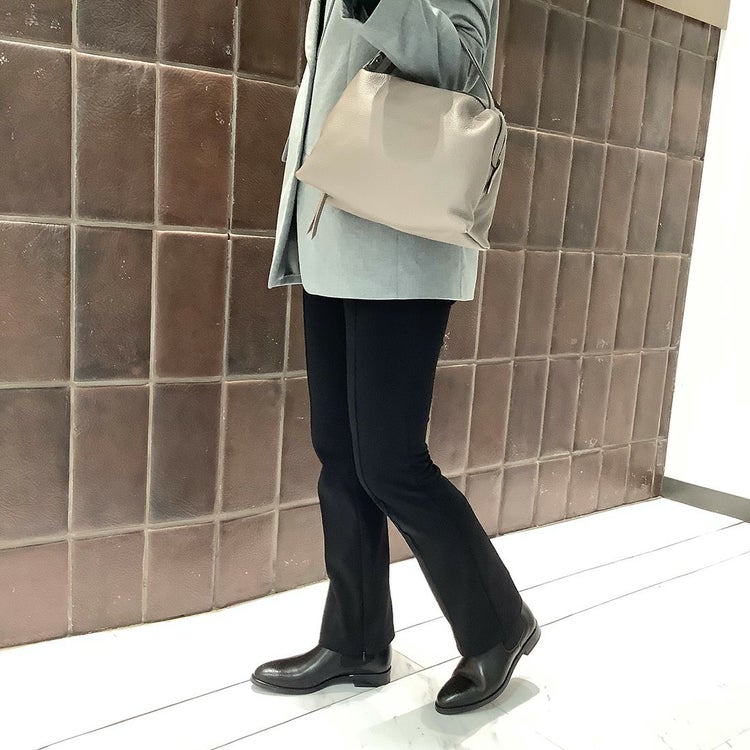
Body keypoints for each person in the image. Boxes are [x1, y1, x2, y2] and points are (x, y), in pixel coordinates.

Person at [253, 0, 541, 715]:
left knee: (390, 461)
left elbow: (464, 63)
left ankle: (497, 623)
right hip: (330, 225)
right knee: (340, 452)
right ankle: (355, 639)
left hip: (400, 237)